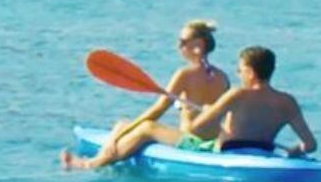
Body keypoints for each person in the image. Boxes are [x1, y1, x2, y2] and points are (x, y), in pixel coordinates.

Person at [60, 20, 230, 171]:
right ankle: (109, 146)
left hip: (193, 143)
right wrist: (124, 129)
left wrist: (118, 137)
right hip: (212, 140)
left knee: (147, 128)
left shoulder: (184, 74)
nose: (179, 46)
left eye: (183, 42)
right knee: (122, 124)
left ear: (198, 45)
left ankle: (93, 163)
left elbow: (158, 110)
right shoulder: (222, 77)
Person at [182, 46, 318, 156]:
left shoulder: (237, 94)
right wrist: (297, 150)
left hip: (231, 155)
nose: (238, 73)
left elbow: (196, 129)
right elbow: (311, 145)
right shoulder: (287, 102)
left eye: (240, 70)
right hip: (265, 154)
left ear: (250, 73)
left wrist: (205, 112)